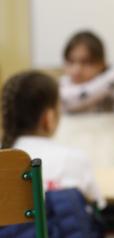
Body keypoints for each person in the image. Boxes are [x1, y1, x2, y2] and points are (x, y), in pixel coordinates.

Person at [1, 70, 104, 208]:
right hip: (56, 230)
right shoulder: (73, 158)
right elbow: (98, 205)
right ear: (48, 118)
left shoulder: (5, 157)